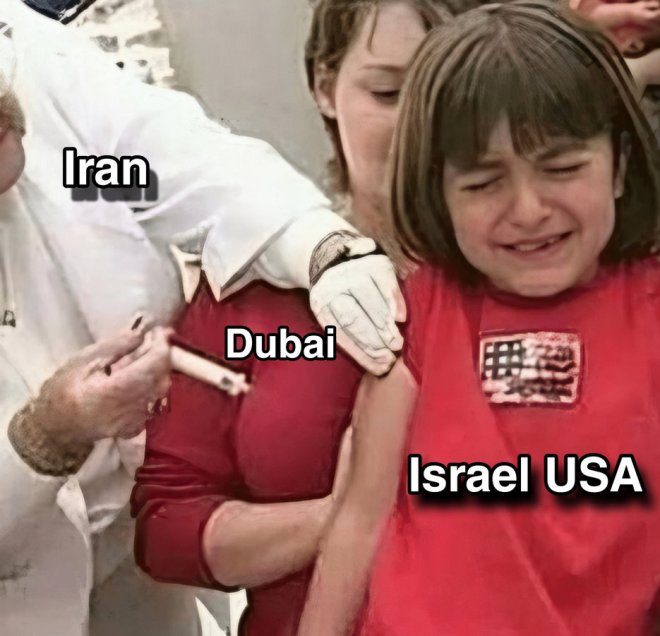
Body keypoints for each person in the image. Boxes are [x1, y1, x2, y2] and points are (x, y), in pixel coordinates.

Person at [0, 1, 407, 634]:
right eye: (387, 91)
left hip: (128, 580)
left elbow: (176, 167)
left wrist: (317, 244)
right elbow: (176, 524)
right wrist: (45, 437)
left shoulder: (36, 72)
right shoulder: (248, 319)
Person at [298, 2, 660, 634]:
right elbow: (360, 519)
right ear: (437, 192)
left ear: (620, 166)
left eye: (562, 168)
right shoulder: (415, 312)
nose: (528, 209)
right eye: (483, 183)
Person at [130, 2, 451, 635]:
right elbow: (166, 526)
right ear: (326, 87)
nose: (420, 124)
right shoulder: (251, 292)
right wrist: (347, 515)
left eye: (446, 93)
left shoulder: (529, 286)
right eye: (388, 93)